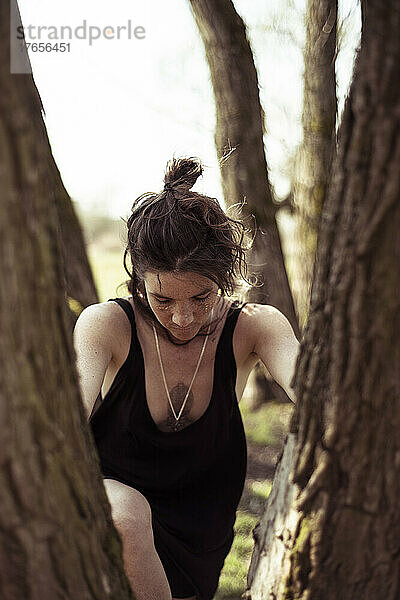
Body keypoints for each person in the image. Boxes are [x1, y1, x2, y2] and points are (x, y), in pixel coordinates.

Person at [73, 157, 300, 600]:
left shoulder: (255, 327)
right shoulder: (106, 325)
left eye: (201, 296)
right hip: (113, 521)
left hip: (201, 533)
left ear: (226, 279)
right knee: (126, 514)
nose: (182, 318)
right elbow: (64, 430)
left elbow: (323, 398)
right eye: (162, 299)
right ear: (138, 279)